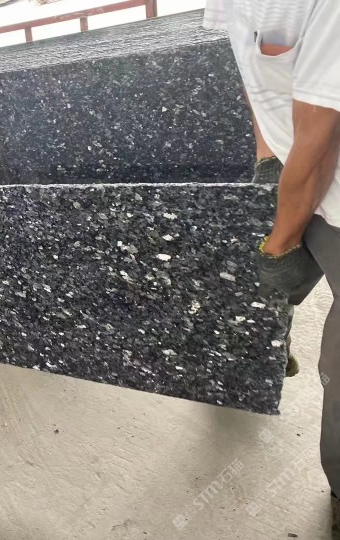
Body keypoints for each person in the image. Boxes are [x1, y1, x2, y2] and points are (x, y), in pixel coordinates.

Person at [204, 0, 340, 534]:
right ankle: (264, 352)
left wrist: (280, 243)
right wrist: (267, 159)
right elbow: (255, 73)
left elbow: (320, 138)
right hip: (304, 175)